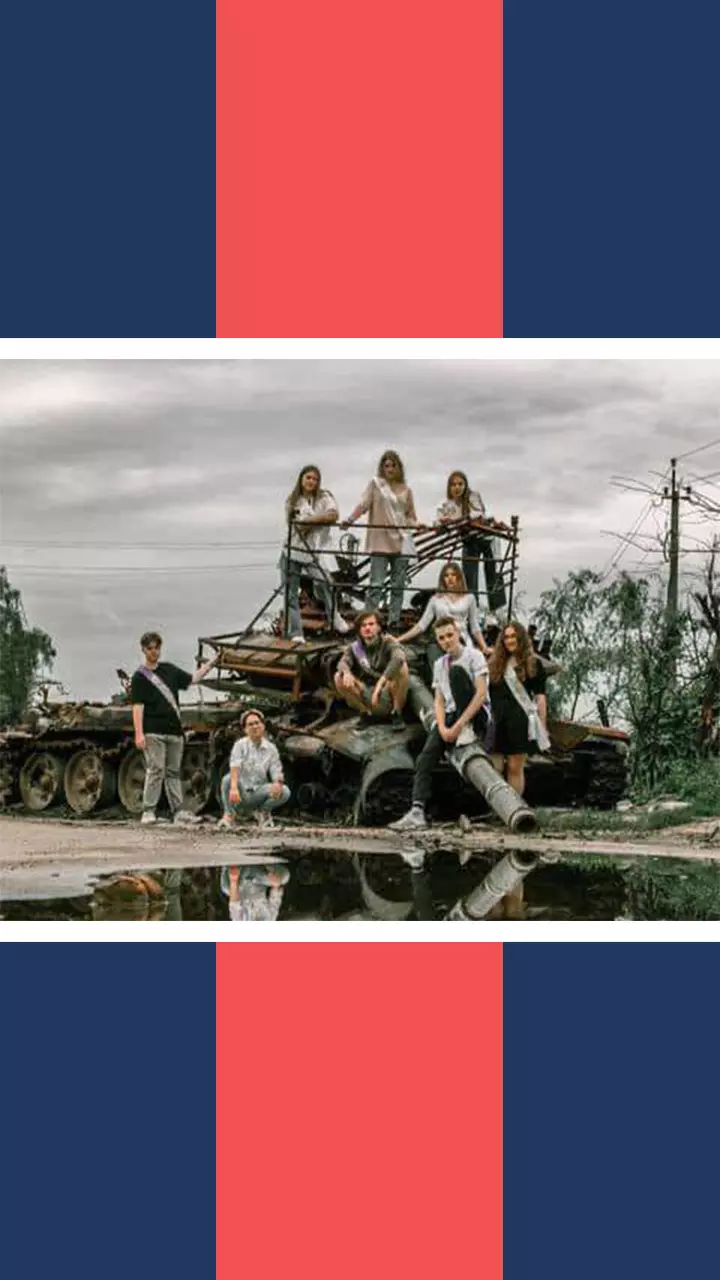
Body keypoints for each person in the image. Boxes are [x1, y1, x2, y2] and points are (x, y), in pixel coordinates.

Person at [390, 616, 490, 830]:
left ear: (458, 633)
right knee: (424, 758)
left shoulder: (475, 656)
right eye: (441, 638)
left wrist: (458, 727)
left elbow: (480, 694)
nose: (446, 641)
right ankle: (417, 811)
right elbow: (439, 700)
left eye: (450, 635)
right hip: (450, 716)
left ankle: (467, 733)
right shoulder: (439, 664)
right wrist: (443, 727)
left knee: (456, 674)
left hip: (475, 715)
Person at [131, 632, 218, 826]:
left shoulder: (170, 670)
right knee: (155, 770)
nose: (154, 652)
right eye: (150, 648)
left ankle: (177, 811)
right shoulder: (139, 677)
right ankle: (148, 811)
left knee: (173, 772)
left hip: (174, 731)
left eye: (157, 647)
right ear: (144, 650)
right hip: (153, 730)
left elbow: (193, 679)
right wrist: (139, 733)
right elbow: (138, 707)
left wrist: (212, 663)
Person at [342, 450, 421, 630]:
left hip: (401, 541)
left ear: (399, 467)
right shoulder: (376, 485)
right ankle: (369, 622)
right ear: (382, 467)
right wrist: (350, 519)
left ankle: (394, 620)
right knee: (376, 584)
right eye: (386, 465)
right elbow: (363, 505)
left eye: (393, 465)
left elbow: (410, 516)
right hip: (380, 541)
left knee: (398, 585)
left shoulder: (406, 490)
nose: (390, 468)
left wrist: (418, 525)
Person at [280, 464, 349, 645]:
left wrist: (310, 520)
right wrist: (319, 519)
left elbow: (333, 515)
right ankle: (296, 631)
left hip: (311, 553)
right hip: (292, 552)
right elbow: (298, 526)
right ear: (301, 479)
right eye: (308, 478)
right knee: (291, 594)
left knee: (326, 582)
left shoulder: (324, 497)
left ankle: (335, 617)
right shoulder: (292, 500)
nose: (311, 481)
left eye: (315, 479)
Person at [487, 621, 549, 797]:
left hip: (520, 722)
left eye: (513, 636)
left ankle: (514, 809)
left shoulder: (534, 664)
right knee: (495, 768)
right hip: (497, 721)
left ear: (521, 638)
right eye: (506, 637)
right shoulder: (494, 664)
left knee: (515, 768)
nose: (509, 640)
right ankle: (498, 810)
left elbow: (540, 697)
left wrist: (542, 727)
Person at [394, 562, 491, 668]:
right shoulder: (435, 599)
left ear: (459, 577)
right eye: (446, 575)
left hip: (462, 639)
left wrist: (484, 647)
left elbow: (474, 627)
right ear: (442, 579)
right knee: (439, 669)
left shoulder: (469, 598)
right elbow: (421, 625)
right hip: (439, 640)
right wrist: (399, 639)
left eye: (453, 575)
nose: (450, 578)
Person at [436, 470, 506, 611]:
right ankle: (474, 607)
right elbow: (438, 520)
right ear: (449, 487)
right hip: (469, 540)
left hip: (485, 539)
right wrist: (443, 522)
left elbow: (477, 514)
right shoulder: (447, 505)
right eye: (454, 484)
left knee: (492, 572)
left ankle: (496, 609)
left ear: (465, 485)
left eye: (460, 484)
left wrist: (455, 520)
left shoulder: (473, 497)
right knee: (469, 576)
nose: (457, 487)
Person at [334, 610, 409, 729]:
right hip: (367, 691)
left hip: (388, 691)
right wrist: (346, 672)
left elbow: (399, 658)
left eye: (371, 624)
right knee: (339, 676)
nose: (367, 628)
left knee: (402, 668)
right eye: (363, 625)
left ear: (379, 627)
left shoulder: (388, 642)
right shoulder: (355, 647)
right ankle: (365, 713)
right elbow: (343, 662)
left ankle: (396, 713)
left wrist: (380, 684)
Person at [218, 708, 291, 830]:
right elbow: (234, 766)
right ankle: (229, 816)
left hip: (259, 792)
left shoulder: (271, 748)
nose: (255, 726)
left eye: (257, 723)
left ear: (263, 726)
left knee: (285, 791)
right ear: (245, 729)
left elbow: (276, 769)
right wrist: (234, 788)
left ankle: (263, 813)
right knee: (227, 779)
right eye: (250, 724)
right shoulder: (240, 745)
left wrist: (277, 783)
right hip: (241, 792)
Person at [221, 863, 291, 920]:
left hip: (241, 881)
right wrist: (276, 883)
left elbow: (234, 903)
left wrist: (234, 880)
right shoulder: (270, 919)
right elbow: (275, 900)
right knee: (285, 877)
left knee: (226, 888)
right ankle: (263, 863)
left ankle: (234, 864)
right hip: (259, 878)